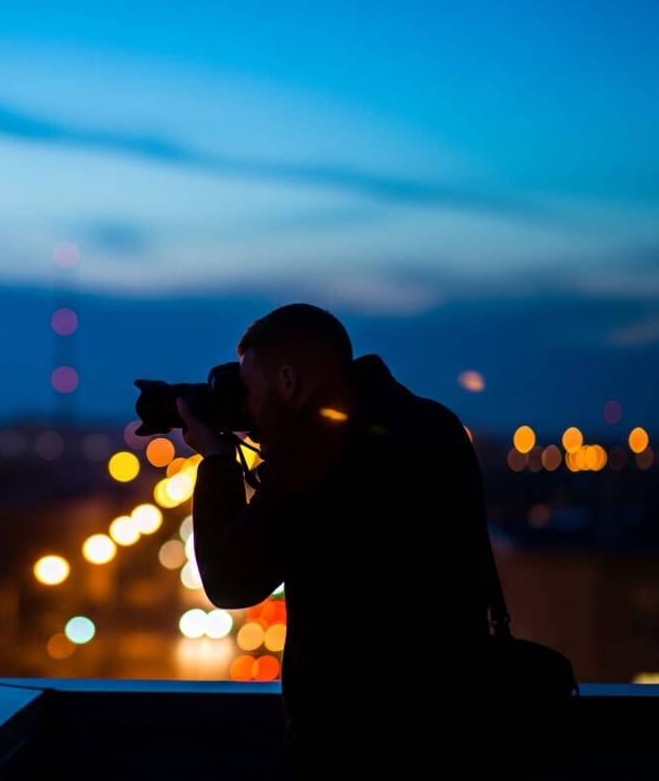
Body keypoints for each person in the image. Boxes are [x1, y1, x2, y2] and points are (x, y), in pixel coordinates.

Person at [177, 303, 491, 779]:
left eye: (252, 390)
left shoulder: (325, 448)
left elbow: (230, 581)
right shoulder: (437, 425)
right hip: (462, 727)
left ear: (288, 382)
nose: (249, 412)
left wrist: (219, 459)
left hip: (356, 742)